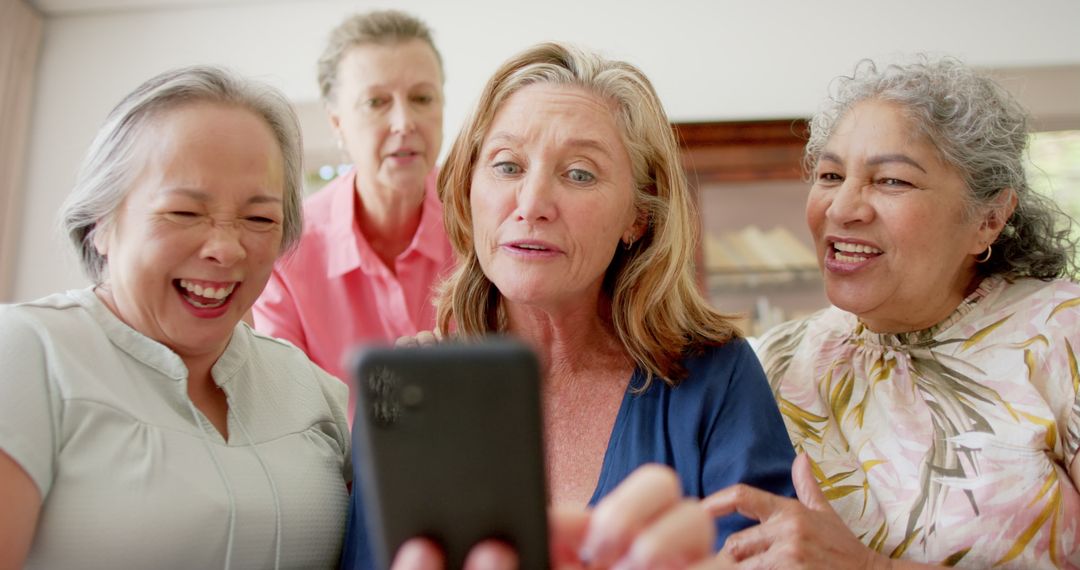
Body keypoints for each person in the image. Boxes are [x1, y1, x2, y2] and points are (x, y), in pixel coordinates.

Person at [341, 41, 796, 570]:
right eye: (507, 166)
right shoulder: (407, 392)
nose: (531, 204)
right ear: (468, 191)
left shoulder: (716, 377)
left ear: (638, 216)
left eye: (579, 173)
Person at [706, 58, 1080, 569]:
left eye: (892, 181)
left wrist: (869, 567)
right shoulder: (773, 362)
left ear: (988, 220)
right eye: (831, 175)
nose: (843, 208)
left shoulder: (1062, 334)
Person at [0, 66, 351, 569]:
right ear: (102, 222)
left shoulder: (311, 389)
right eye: (185, 212)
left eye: (259, 219)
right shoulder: (27, 353)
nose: (226, 249)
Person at [252, 9, 453, 417]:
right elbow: (289, 416)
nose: (404, 122)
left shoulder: (485, 227)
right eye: (376, 102)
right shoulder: (288, 247)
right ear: (338, 123)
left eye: (422, 98)